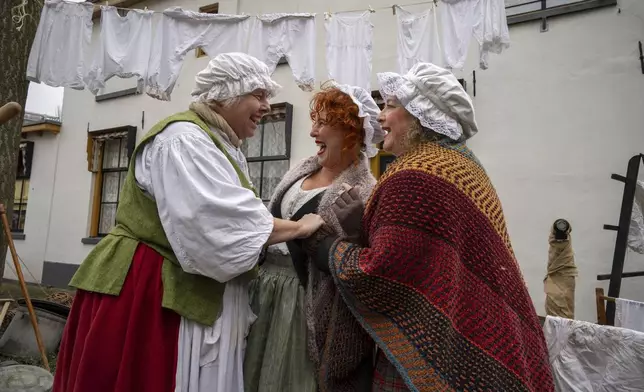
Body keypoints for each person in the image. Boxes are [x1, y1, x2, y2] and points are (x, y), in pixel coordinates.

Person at [53, 53, 324, 392]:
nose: (266, 106)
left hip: (170, 280)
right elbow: (220, 223)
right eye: (258, 95)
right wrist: (301, 227)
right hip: (149, 285)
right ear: (227, 95)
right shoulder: (184, 139)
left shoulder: (216, 141)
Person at [315, 63, 555, 391]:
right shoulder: (465, 164)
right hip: (489, 336)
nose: (382, 117)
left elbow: (383, 274)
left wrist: (325, 243)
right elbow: (425, 261)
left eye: (391, 106)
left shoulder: (413, 173)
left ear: (419, 115)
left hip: (435, 348)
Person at [244, 82, 384, 392]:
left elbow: (367, 264)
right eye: (313, 121)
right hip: (264, 290)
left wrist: (355, 230)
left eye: (322, 123)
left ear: (351, 130)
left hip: (302, 304)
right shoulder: (300, 170)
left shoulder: (366, 191)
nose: (312, 132)